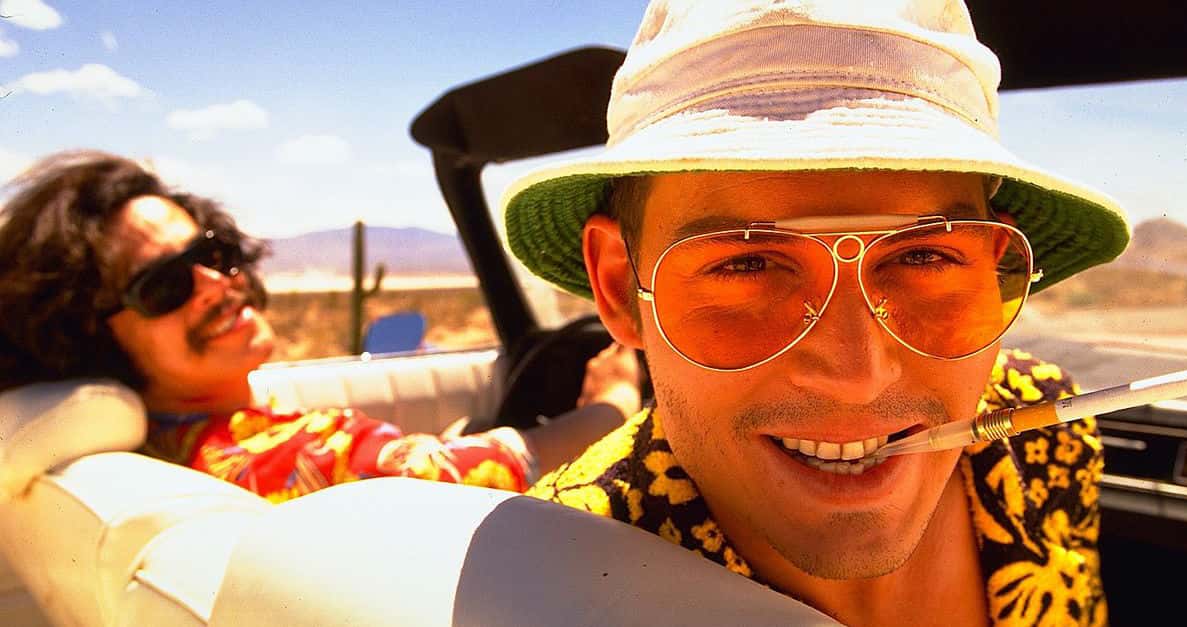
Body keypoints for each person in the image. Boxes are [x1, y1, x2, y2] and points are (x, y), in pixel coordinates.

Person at [505, 1, 1126, 625]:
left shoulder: (1043, 427)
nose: (858, 377)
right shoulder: (539, 591)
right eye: (747, 265)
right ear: (620, 287)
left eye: (925, 257)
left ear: (992, 268)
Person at [0, 150, 641, 502]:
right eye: (164, 284)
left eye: (212, 253)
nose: (215, 282)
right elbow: (472, 472)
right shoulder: (288, 457)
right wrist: (611, 403)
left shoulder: (179, 452)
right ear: (90, 335)